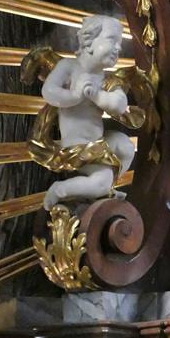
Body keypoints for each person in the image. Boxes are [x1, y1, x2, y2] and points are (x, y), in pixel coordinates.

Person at [32, 16, 135, 210]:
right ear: (89, 41)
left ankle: (103, 188)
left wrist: (97, 95)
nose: (118, 48)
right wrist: (74, 95)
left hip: (98, 142)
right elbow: (49, 91)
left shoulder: (105, 79)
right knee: (102, 180)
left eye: (120, 43)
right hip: (77, 147)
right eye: (112, 40)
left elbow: (120, 104)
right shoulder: (69, 67)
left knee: (126, 147)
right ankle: (60, 190)